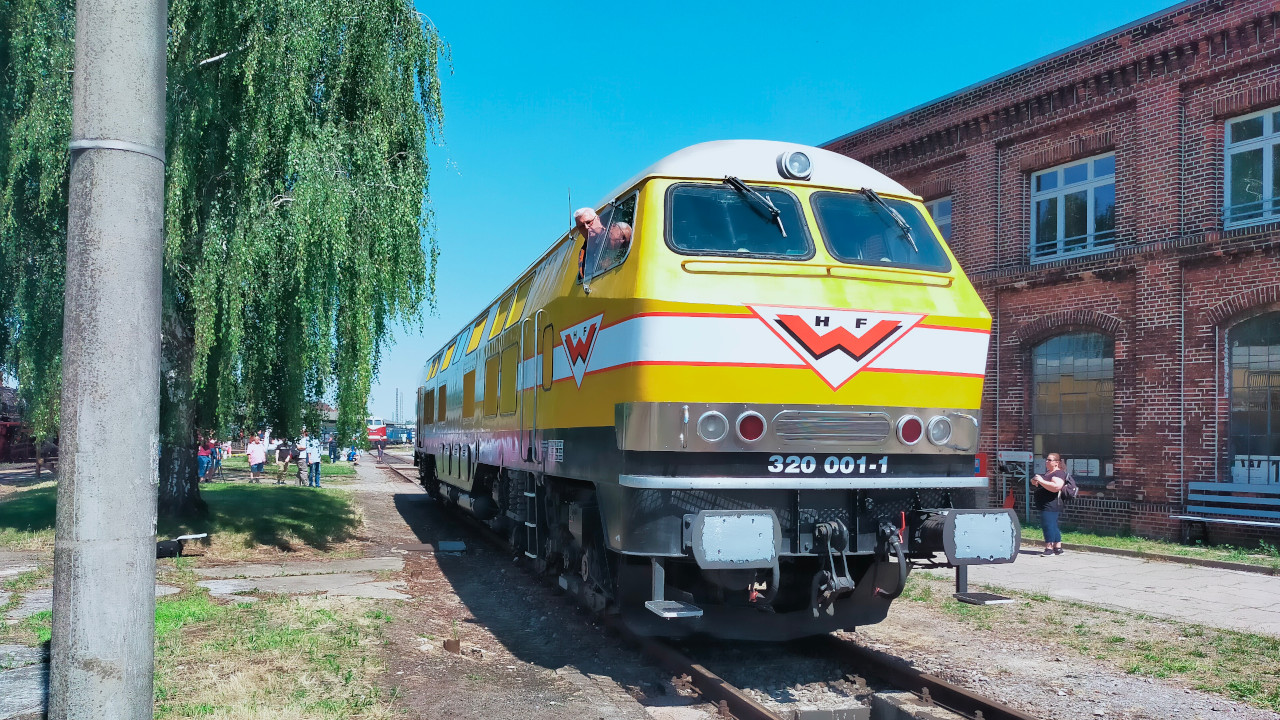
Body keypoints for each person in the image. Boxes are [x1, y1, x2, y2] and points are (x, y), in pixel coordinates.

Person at [1031, 452, 1068, 556]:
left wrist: (1041, 480)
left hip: (1051, 504)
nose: (1047, 461)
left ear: (1057, 462)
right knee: (1053, 525)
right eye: (1046, 459)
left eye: (1049, 460)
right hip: (1045, 504)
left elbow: (1056, 487)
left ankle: (1049, 548)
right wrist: (1035, 480)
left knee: (1048, 525)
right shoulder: (1049, 473)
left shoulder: (1058, 473)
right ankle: (1058, 548)